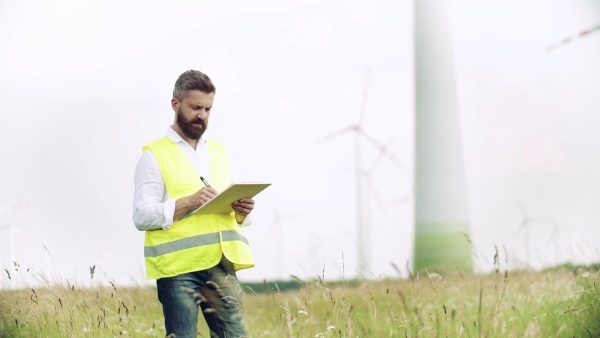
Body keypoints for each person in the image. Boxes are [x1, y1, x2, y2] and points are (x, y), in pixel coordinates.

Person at [133, 70, 255, 338]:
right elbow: (141, 215)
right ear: (175, 104)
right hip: (179, 271)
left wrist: (242, 211)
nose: (202, 115)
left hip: (222, 266)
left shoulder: (220, 152)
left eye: (208, 109)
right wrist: (188, 202)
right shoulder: (154, 156)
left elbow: (232, 211)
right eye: (196, 107)